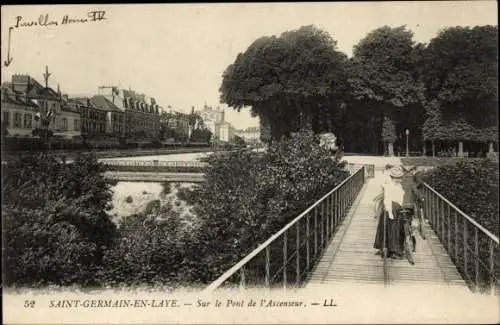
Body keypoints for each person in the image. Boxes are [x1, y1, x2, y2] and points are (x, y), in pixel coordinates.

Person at [373, 165, 406, 259]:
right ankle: (387, 249)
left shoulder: (399, 186)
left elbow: (400, 198)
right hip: (390, 209)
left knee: (396, 230)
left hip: (397, 209)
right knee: (390, 230)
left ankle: (393, 250)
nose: (399, 179)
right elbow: (387, 199)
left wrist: (401, 207)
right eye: (397, 178)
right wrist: (390, 212)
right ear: (393, 177)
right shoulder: (389, 186)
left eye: (399, 177)